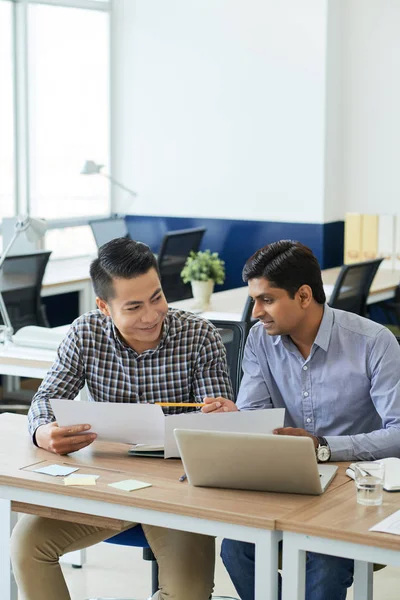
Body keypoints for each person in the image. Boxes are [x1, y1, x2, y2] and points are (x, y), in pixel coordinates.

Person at [11, 237, 233, 600]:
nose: (151, 315)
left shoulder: (199, 336)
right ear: (104, 306)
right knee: (26, 545)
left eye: (157, 297)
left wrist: (221, 418)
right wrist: (41, 432)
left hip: (177, 491)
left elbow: (218, 424)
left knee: (188, 594)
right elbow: (45, 400)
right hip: (106, 484)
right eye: (133, 306)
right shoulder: (85, 334)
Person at [202, 239, 400, 600]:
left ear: (304, 296)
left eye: (267, 299)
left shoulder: (374, 343)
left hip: (356, 487)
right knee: (236, 549)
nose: (257, 312)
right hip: (287, 480)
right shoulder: (260, 341)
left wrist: (323, 448)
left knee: (324, 561)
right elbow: (256, 419)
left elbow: (398, 433)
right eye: (254, 300)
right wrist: (236, 420)